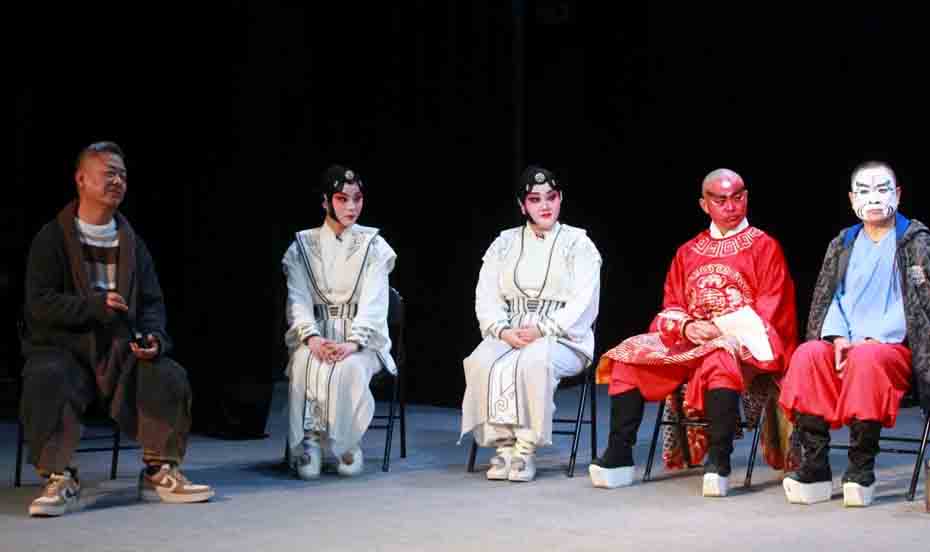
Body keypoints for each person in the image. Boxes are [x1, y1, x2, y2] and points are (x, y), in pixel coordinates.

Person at [21, 141, 214, 517]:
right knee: (47, 375)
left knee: (167, 373)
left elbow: (153, 304)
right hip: (65, 346)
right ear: (81, 179)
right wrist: (94, 306)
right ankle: (59, 476)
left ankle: (159, 470)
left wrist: (154, 339)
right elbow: (39, 303)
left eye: (123, 175)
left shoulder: (132, 243)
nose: (118, 181)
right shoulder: (52, 238)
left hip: (120, 347)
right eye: (109, 173)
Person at [591, 168, 798, 497]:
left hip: (742, 343)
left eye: (738, 198)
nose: (731, 207)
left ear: (746, 198)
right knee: (627, 356)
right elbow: (672, 304)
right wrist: (687, 326)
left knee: (720, 357)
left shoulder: (765, 247)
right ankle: (619, 454)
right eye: (721, 200)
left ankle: (719, 460)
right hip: (691, 340)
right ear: (704, 205)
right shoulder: (689, 251)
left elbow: (771, 309)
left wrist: (721, 329)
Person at [779, 161, 930, 507]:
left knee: (867, 358)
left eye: (882, 189)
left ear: (898, 194)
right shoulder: (843, 243)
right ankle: (816, 466)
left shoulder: (916, 242)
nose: (874, 198)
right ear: (851, 199)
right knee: (807, 355)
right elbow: (830, 296)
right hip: (845, 342)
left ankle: (861, 467)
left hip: (891, 347)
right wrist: (836, 337)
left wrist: (875, 337)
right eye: (864, 191)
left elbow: (916, 304)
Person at [460, 166, 602, 482]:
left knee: (535, 361)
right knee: (481, 360)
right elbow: (486, 294)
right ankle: (503, 446)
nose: (545, 206)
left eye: (551, 197)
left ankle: (524, 448)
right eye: (535, 200)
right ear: (523, 205)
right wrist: (502, 330)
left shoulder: (578, 244)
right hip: (512, 332)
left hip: (563, 338)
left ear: (560, 198)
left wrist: (544, 329)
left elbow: (584, 301)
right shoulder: (504, 243)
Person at [282, 165, 397, 479]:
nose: (351, 206)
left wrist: (353, 342)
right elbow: (297, 299)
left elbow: (375, 302)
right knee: (305, 362)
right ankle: (310, 441)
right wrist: (312, 338)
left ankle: (346, 441)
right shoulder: (302, 247)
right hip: (317, 337)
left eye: (357, 198)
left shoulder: (374, 246)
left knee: (347, 367)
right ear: (325, 202)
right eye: (342, 199)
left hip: (361, 341)